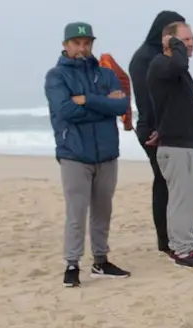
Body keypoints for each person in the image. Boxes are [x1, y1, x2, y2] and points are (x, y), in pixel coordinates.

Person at [46, 22, 133, 286]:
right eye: (77, 43)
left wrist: (87, 100)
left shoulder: (105, 74)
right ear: (66, 45)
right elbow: (65, 111)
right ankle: (72, 264)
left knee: (103, 210)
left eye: (87, 43)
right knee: (77, 211)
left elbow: (121, 104)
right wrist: (102, 104)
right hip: (74, 153)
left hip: (106, 152)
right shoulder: (56, 76)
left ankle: (101, 260)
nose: (82, 47)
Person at [145, 20, 193, 265]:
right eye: (185, 40)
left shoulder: (174, 69)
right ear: (169, 41)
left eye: (191, 39)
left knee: (188, 199)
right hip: (175, 145)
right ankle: (181, 250)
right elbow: (179, 62)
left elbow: (172, 96)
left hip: (184, 143)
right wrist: (173, 45)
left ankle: (184, 247)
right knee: (182, 200)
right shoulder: (161, 63)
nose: (190, 44)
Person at [129, 10, 185, 253]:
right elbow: (147, 99)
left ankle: (186, 235)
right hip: (153, 129)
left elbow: (168, 94)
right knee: (164, 183)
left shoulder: (163, 56)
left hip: (167, 126)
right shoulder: (144, 58)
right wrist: (158, 129)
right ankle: (165, 240)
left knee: (178, 185)